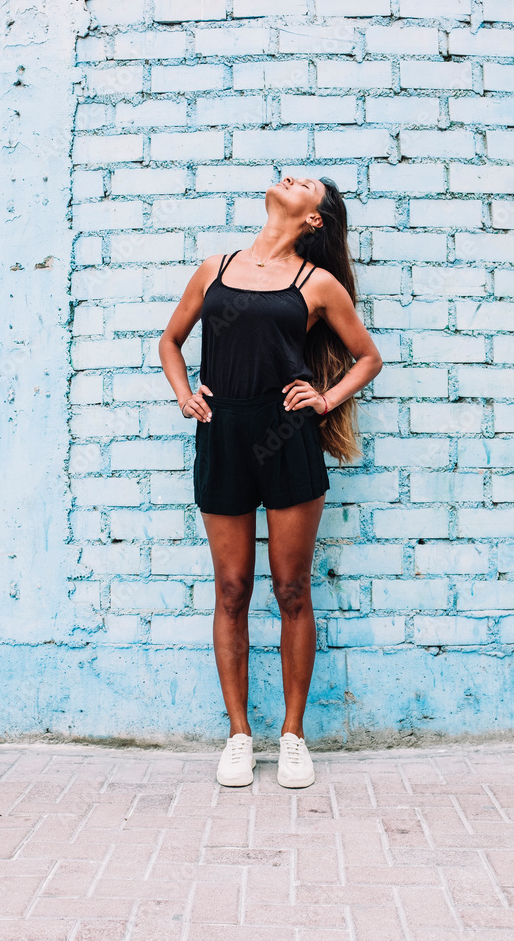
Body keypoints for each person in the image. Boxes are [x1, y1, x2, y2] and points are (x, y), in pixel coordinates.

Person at [158, 175, 383, 789]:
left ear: (315, 219)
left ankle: (292, 736)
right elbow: (170, 341)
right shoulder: (216, 268)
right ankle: (238, 735)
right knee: (232, 590)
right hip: (223, 433)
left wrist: (325, 399)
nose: (292, 178)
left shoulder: (318, 284)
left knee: (291, 591)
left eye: (308, 184)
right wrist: (184, 394)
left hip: (287, 438)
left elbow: (368, 357)